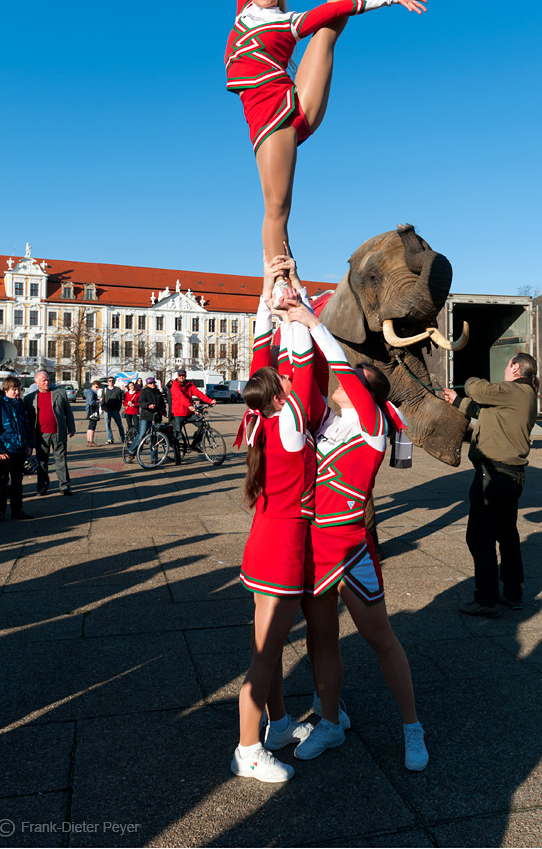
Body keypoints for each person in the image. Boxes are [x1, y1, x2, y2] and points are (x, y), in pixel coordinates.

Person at [226, 0, 426, 290]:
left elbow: (336, 9)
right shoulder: (244, 10)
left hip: (280, 115)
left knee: (275, 211)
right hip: (275, 113)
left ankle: (282, 285)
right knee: (276, 209)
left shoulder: (287, 21)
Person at [286, 303, 429, 772]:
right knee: (322, 640)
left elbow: (341, 367)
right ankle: (331, 721)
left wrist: (315, 324)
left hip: (350, 547)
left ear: (366, 392)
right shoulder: (326, 421)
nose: (342, 381)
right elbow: (307, 367)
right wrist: (292, 305)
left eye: (354, 379)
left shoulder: (371, 428)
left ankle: (412, 726)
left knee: (381, 638)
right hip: (315, 548)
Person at [230, 256, 317, 785]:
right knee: (264, 656)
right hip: (283, 547)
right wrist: (296, 304)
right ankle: (246, 749)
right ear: (282, 393)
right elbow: (301, 355)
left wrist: (271, 289)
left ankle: (279, 724)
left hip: (264, 538)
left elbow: (263, 357)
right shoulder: (289, 423)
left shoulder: (261, 416)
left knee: (270, 644)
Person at [443, 355, 539, 617]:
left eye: (507, 365)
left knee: (479, 538)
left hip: (493, 475)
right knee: (507, 536)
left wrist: (468, 378)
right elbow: (485, 412)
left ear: (516, 368)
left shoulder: (513, 389)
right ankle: (512, 595)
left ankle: (486, 600)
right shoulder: (524, 395)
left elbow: (478, 389)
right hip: (511, 476)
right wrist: (458, 401)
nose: (505, 369)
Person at [0, 375, 34, 522]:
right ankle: (0, 511)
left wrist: (29, 445)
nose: (18, 392)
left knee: (17, 482)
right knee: (3, 482)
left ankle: (17, 510)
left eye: (19, 389)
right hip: (5, 451)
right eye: (14, 390)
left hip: (20, 449)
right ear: (6, 390)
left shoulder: (19, 405)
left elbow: (26, 427)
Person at [23, 370, 76, 496]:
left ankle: (64, 486)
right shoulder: (30, 398)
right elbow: (28, 419)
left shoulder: (60, 393)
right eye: (44, 381)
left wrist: (71, 427)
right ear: (36, 383)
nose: (47, 382)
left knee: (61, 460)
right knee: (42, 462)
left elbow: (68, 411)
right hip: (41, 435)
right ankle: (42, 487)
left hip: (58, 432)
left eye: (48, 380)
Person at [170, 370, 215, 450]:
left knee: (203, 426)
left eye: (183, 375)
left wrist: (210, 401)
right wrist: (189, 406)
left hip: (188, 413)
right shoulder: (175, 385)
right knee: (177, 435)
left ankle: (195, 444)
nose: (181, 377)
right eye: (180, 375)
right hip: (178, 413)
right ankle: (177, 457)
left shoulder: (190, 385)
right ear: (177, 376)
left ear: (185, 376)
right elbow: (181, 397)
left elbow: (198, 393)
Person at [127, 377, 166, 461]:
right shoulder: (144, 392)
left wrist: (163, 411)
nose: (153, 384)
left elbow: (162, 403)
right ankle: (131, 450)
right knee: (142, 434)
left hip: (156, 416)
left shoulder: (158, 392)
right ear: (147, 384)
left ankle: (154, 457)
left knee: (154, 437)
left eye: (154, 383)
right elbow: (141, 403)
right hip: (146, 416)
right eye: (151, 383)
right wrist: (148, 405)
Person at [101, 377, 125, 444]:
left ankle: (123, 439)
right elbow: (102, 399)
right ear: (108, 382)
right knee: (107, 425)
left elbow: (120, 400)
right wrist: (103, 406)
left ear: (114, 382)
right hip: (107, 411)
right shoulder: (105, 390)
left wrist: (118, 409)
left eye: (112, 381)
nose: (111, 382)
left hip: (115, 410)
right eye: (110, 381)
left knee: (119, 425)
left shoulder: (118, 390)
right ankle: (110, 439)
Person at [85, 381, 101, 447]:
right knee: (92, 426)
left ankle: (89, 441)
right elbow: (91, 402)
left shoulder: (90, 392)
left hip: (90, 411)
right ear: (93, 385)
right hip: (92, 411)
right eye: (96, 387)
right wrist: (98, 401)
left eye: (98, 387)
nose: (97, 388)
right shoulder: (91, 392)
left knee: (90, 426)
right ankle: (91, 441)